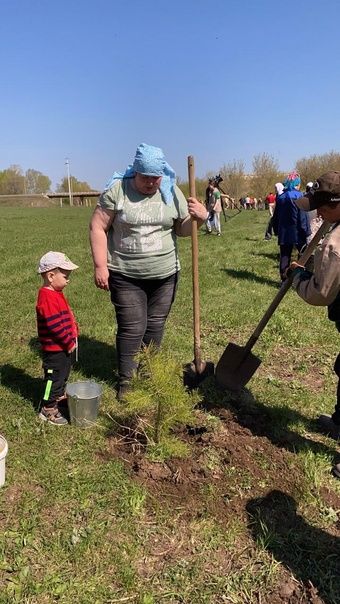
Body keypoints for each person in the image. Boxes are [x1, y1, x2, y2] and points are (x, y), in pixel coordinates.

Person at [89, 143, 208, 400]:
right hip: (125, 273)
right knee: (133, 327)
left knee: (155, 326)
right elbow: (98, 227)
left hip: (165, 274)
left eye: (156, 177)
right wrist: (100, 265)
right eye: (145, 177)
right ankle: (127, 383)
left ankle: (147, 375)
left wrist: (199, 217)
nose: (151, 183)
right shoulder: (118, 190)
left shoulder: (170, 191)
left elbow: (182, 230)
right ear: (136, 172)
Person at [286, 171, 340, 475]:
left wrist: (299, 278)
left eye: (322, 207)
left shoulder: (336, 245)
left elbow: (320, 293)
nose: (317, 213)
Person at [36, 251, 79, 425]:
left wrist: (73, 329)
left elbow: (64, 317)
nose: (68, 279)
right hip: (55, 349)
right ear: (51, 276)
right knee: (52, 378)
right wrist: (68, 341)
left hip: (62, 348)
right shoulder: (46, 297)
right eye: (65, 275)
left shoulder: (56, 293)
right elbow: (54, 326)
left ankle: (58, 398)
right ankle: (47, 407)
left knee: (62, 375)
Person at [272, 171, 310, 282]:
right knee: (303, 254)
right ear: (296, 184)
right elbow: (303, 216)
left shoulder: (281, 197)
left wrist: (275, 229)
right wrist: (306, 230)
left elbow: (276, 216)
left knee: (285, 255)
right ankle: (301, 278)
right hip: (298, 231)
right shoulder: (300, 196)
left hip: (284, 232)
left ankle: (284, 280)